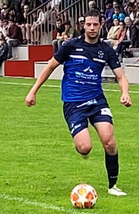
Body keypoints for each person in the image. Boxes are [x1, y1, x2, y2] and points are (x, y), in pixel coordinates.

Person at [25, 12, 132, 197]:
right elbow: (50, 67)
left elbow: (120, 76)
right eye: (89, 24)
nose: (92, 28)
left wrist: (125, 93)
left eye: (95, 24)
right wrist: (33, 91)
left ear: (101, 25)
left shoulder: (106, 50)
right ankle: (81, 147)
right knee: (85, 147)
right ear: (83, 25)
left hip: (97, 101)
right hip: (73, 103)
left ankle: (112, 185)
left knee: (109, 141)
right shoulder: (71, 46)